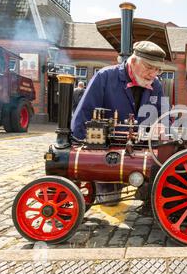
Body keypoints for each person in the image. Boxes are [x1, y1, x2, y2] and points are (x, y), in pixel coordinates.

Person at [71, 41, 166, 206]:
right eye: (149, 67)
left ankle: (146, 193)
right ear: (133, 60)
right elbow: (84, 114)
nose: (153, 74)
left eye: (157, 69)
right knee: (109, 201)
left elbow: (165, 115)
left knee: (155, 199)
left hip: (143, 152)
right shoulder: (104, 77)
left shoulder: (156, 85)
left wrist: (163, 126)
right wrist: (77, 151)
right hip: (109, 154)